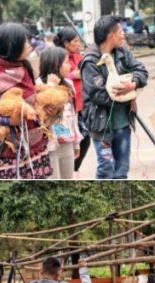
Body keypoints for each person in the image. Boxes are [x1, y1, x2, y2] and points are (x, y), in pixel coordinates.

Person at [0, 22, 55, 179]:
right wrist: (5, 120)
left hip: (34, 148)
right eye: (25, 41)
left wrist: (45, 109)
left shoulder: (23, 66)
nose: (29, 45)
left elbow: (32, 97)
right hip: (7, 152)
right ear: (12, 45)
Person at [80, 15, 148, 179]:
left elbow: (142, 71)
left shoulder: (122, 52)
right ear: (111, 35)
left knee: (122, 171)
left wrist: (133, 83)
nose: (124, 34)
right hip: (101, 126)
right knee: (106, 169)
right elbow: (98, 94)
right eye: (121, 31)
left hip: (123, 124)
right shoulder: (90, 61)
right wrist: (128, 94)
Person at [37, 47, 82, 179]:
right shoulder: (38, 85)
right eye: (66, 62)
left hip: (67, 141)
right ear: (55, 64)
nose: (69, 66)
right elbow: (41, 117)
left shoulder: (69, 84)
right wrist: (51, 87)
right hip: (48, 146)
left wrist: (76, 143)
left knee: (68, 180)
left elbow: (73, 115)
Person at [54, 27, 90, 177]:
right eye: (75, 41)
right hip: (66, 107)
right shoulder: (56, 57)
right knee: (68, 141)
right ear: (66, 43)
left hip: (82, 105)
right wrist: (73, 75)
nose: (78, 43)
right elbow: (53, 75)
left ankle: (74, 169)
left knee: (85, 138)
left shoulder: (77, 56)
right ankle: (68, 172)